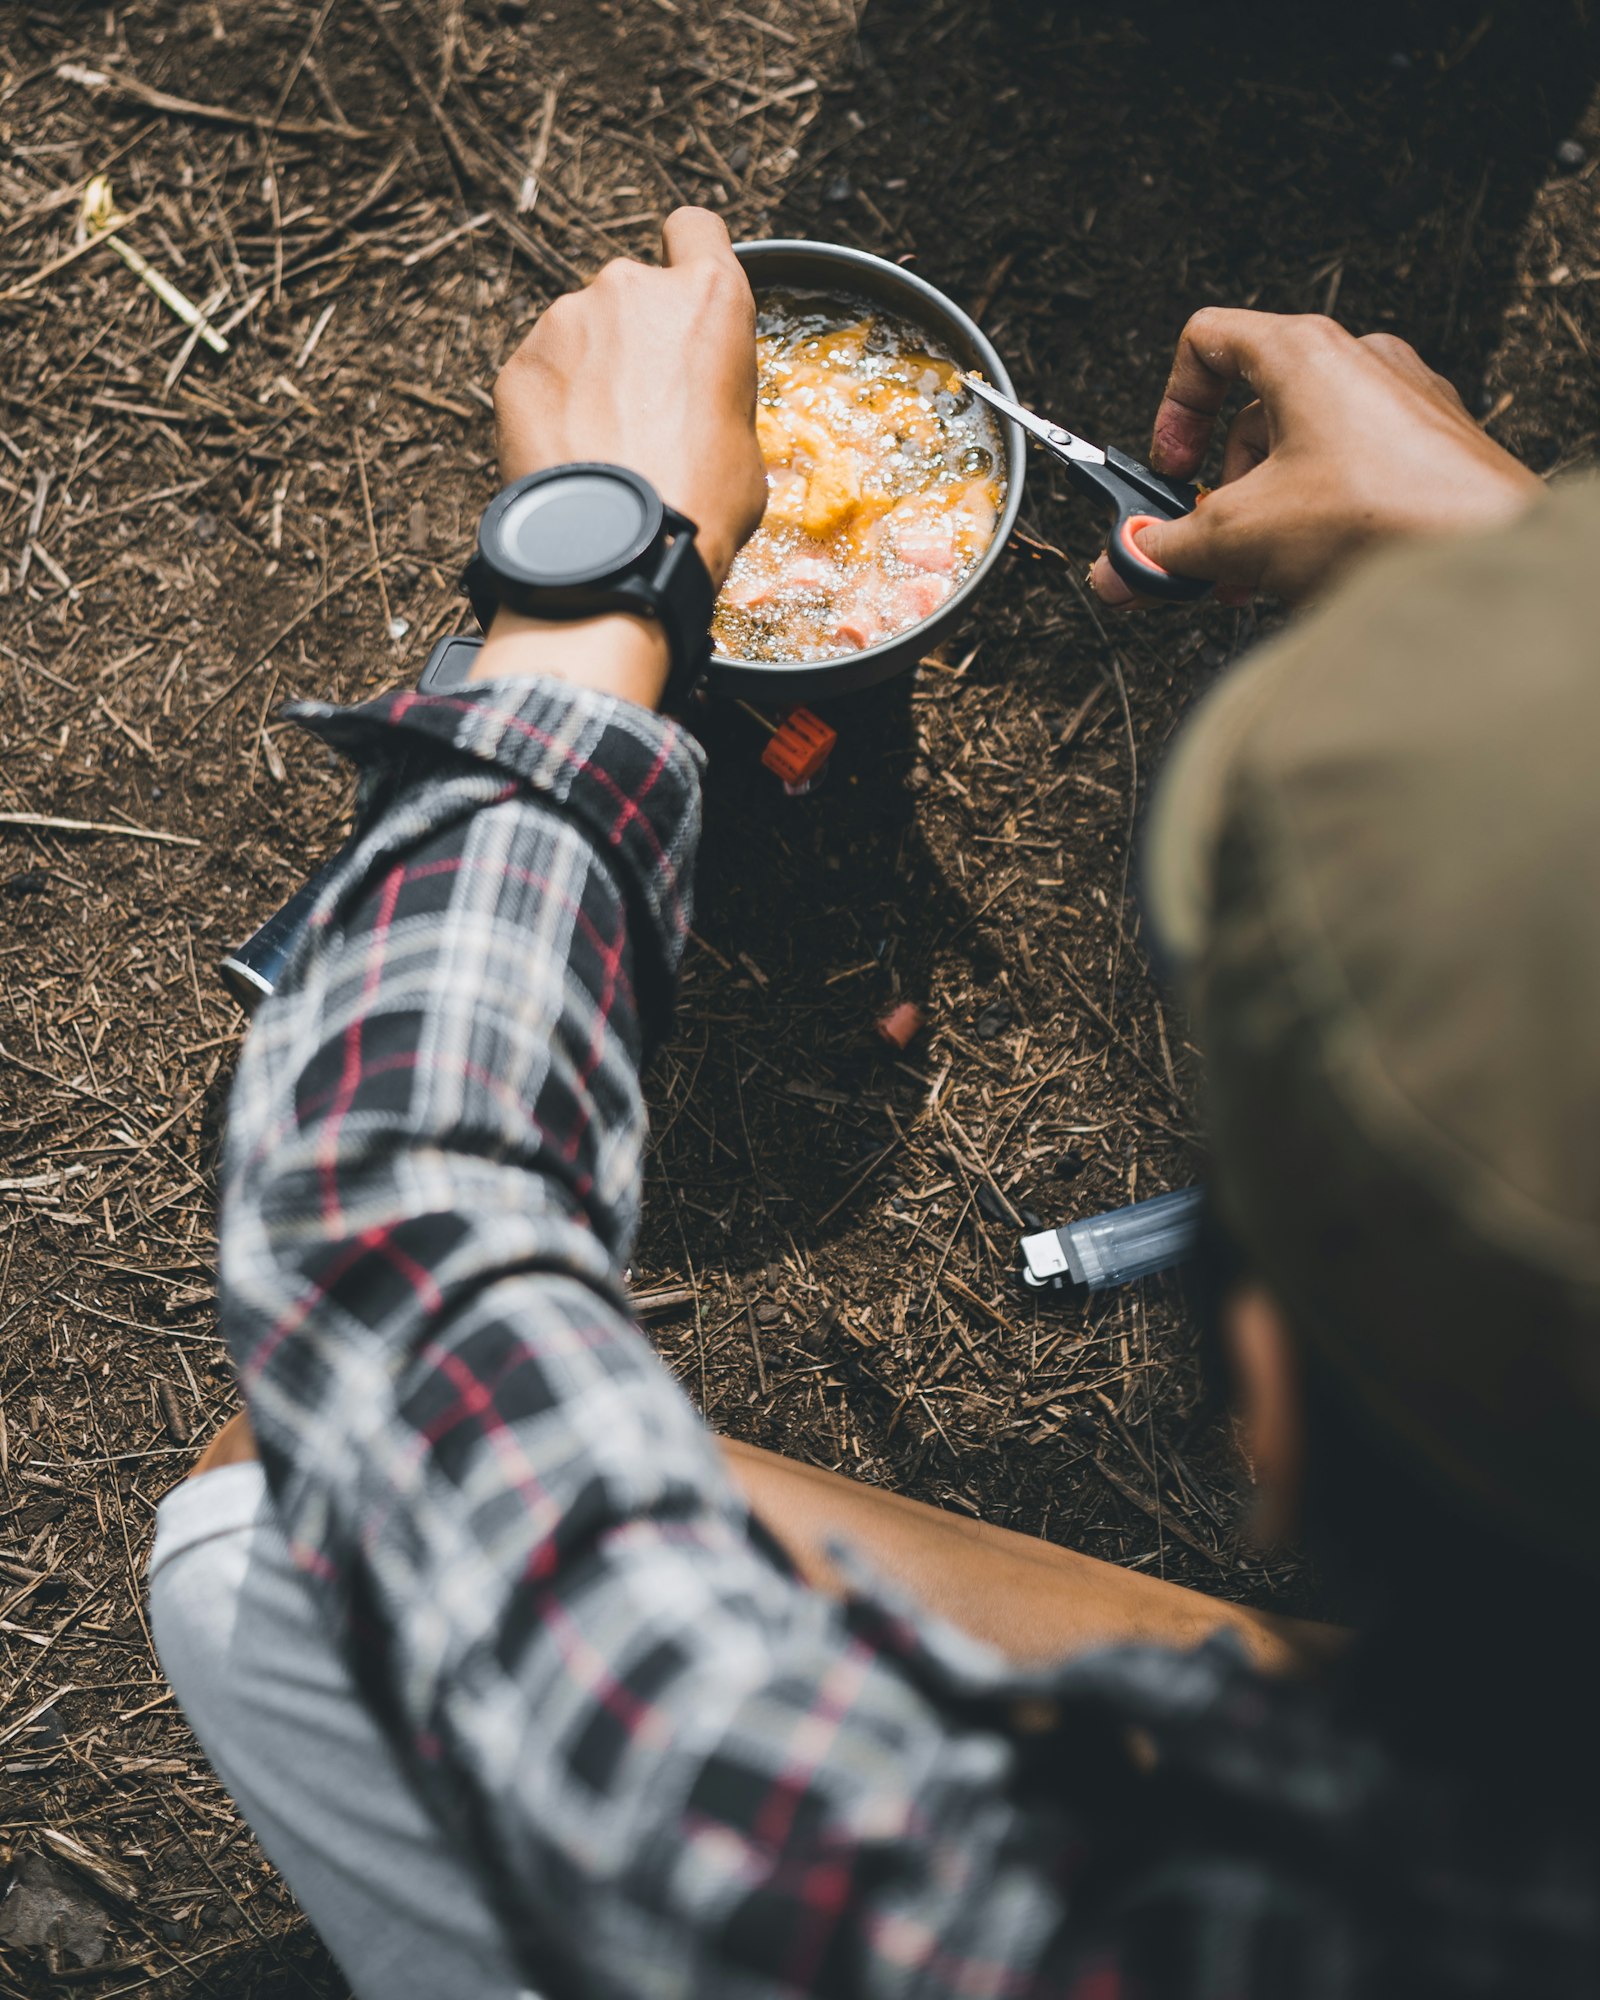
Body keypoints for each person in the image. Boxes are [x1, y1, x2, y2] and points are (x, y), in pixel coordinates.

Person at [149, 207, 1600, 1998]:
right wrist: (1521, 586)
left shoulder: (996, 1908)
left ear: (1267, 1399)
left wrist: (595, 583)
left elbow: (386, 1277)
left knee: (266, 1528)